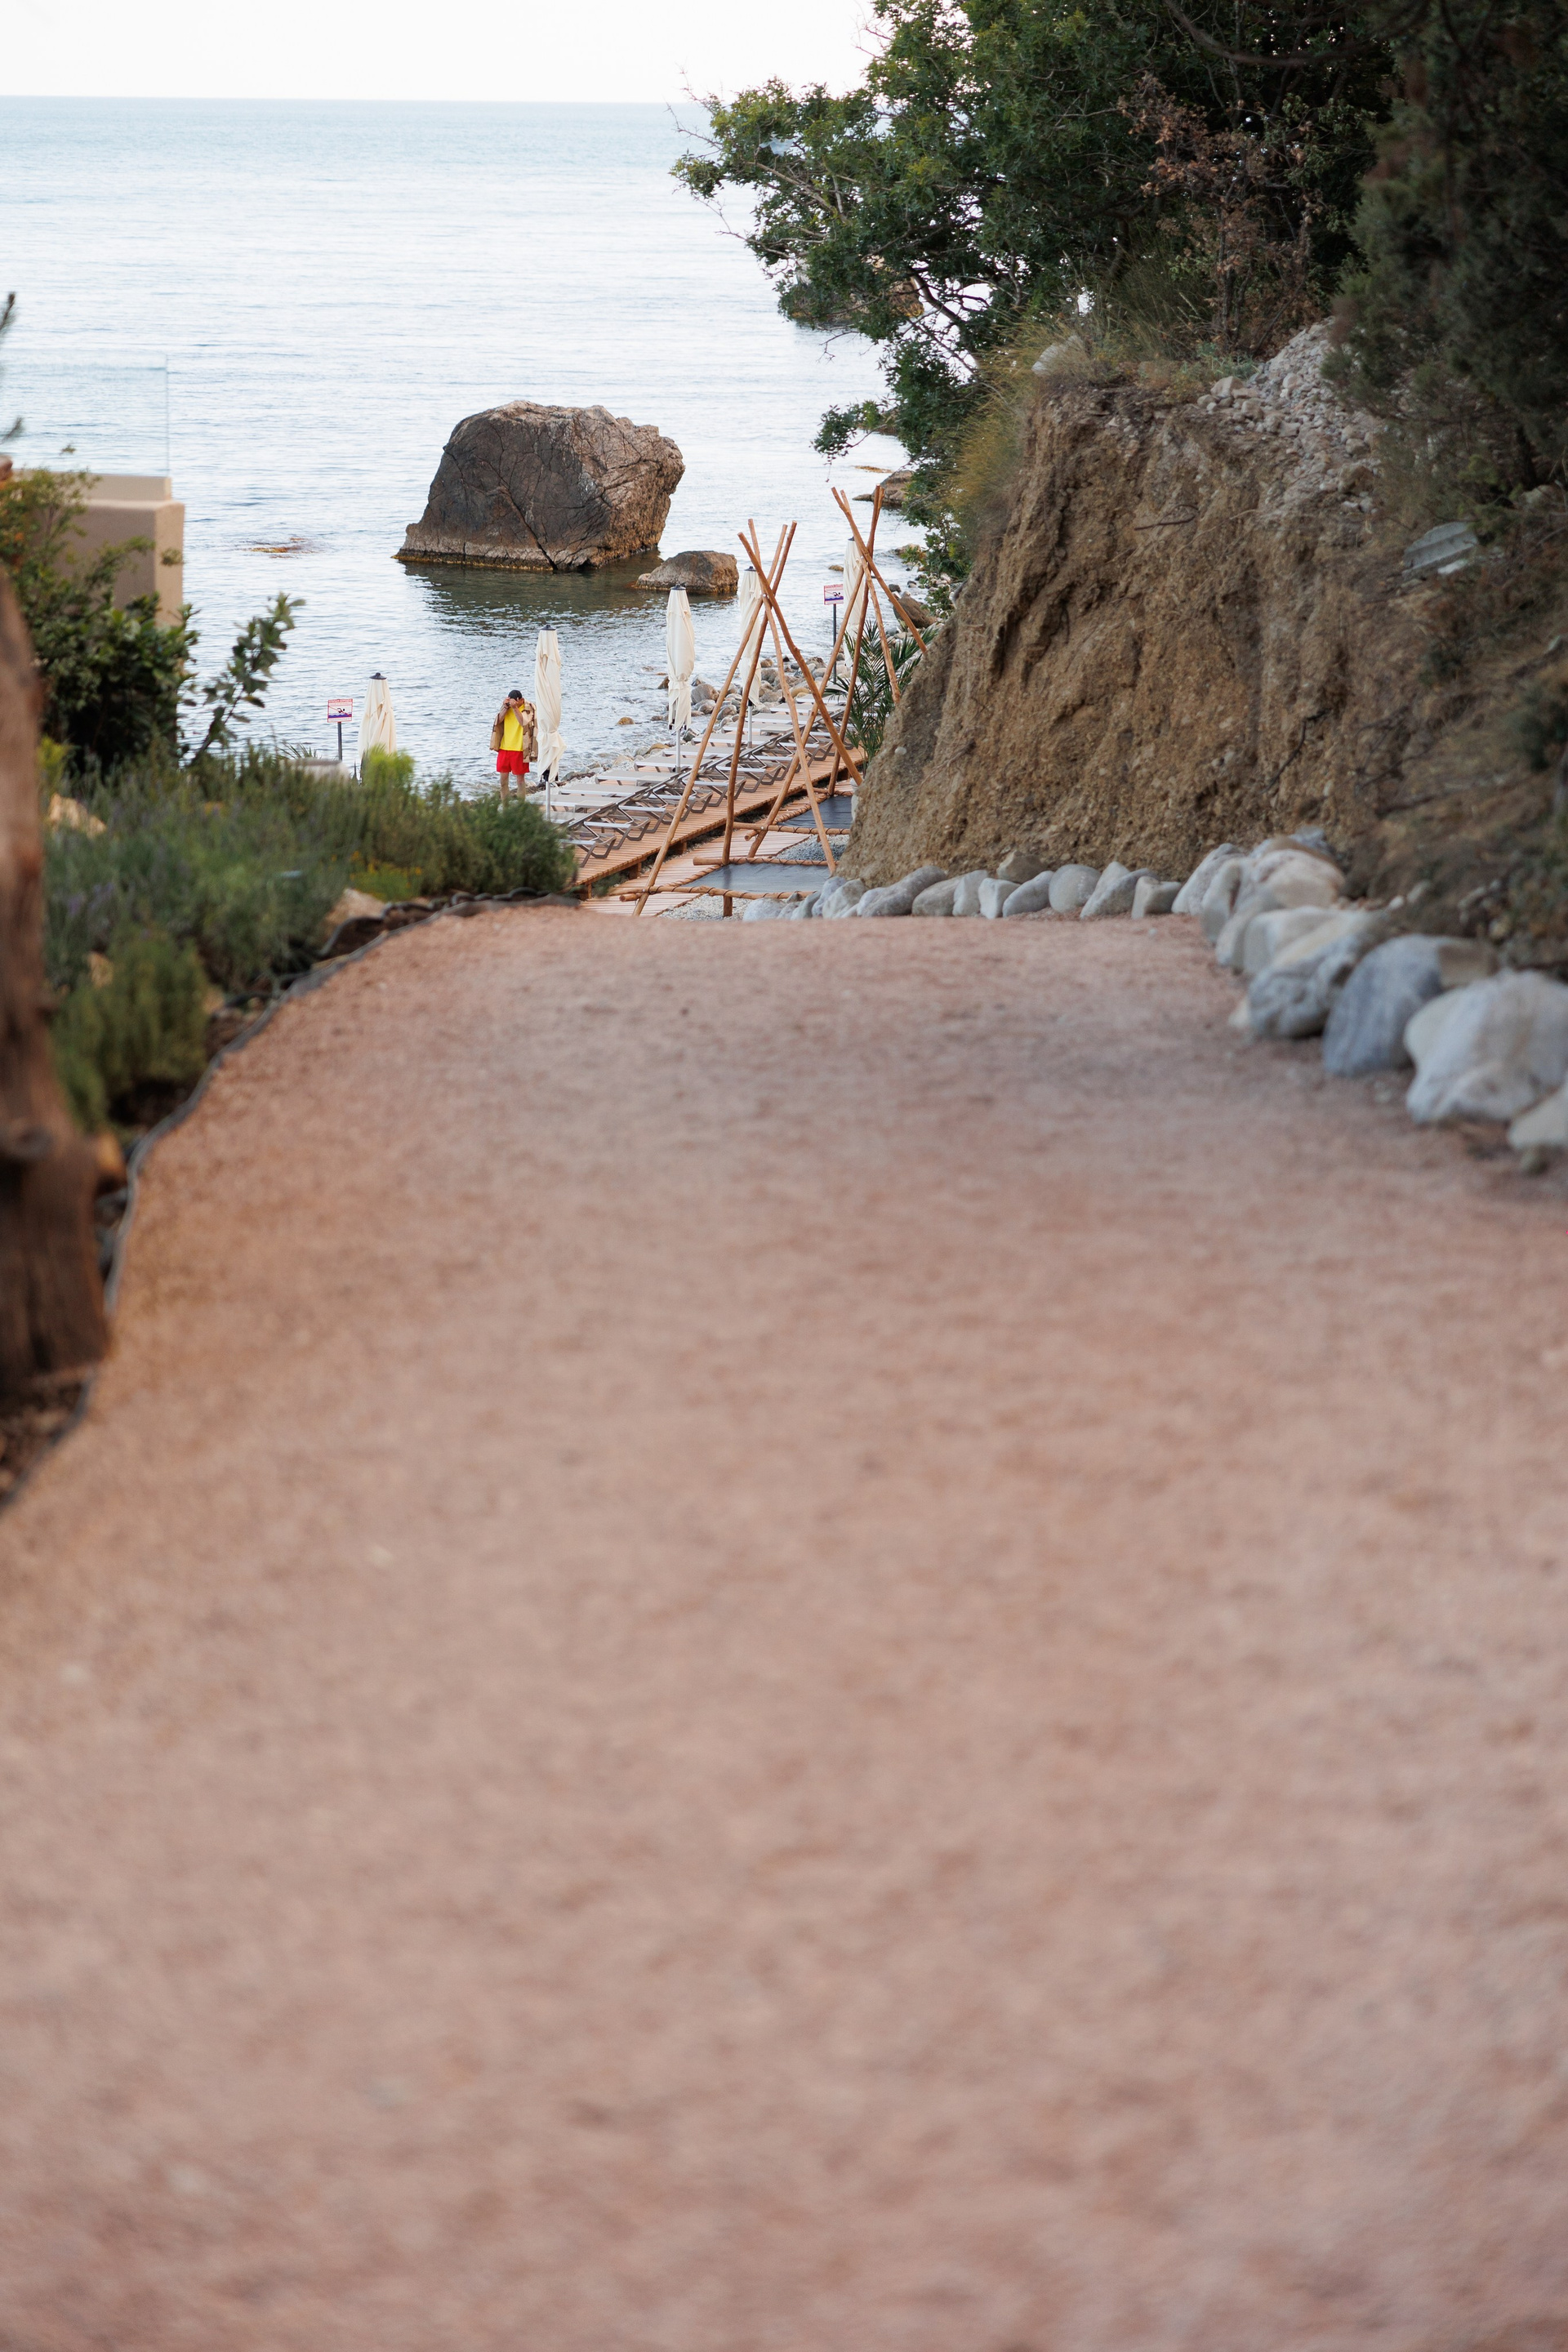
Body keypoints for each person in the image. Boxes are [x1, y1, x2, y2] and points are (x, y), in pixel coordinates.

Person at [490, 688, 537, 800]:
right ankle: (505, 807)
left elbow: (524, 723)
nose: (513, 704)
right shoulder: (507, 707)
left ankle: (521, 807)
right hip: (504, 748)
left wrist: (515, 708)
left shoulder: (528, 707)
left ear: (520, 700)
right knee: (503, 781)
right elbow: (498, 721)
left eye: (515, 702)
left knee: (520, 781)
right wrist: (505, 707)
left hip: (520, 749)